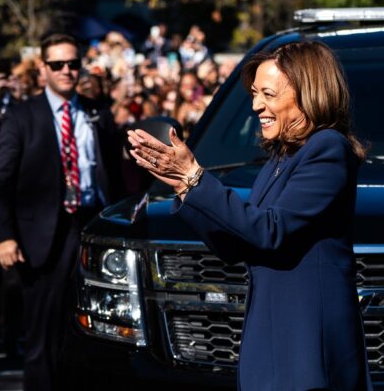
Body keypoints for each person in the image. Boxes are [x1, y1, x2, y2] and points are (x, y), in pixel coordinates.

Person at [127, 40, 371, 390]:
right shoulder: (281, 157)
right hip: (273, 338)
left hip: (306, 347)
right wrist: (185, 187)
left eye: (268, 94)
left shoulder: (327, 148)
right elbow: (237, 243)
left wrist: (196, 177)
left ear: (307, 93)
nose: (256, 105)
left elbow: (270, 231)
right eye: (255, 94)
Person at [0, 33, 123, 390]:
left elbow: (115, 175)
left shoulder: (97, 113)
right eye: (58, 64)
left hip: (92, 228)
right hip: (42, 236)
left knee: (95, 330)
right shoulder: (22, 117)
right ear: (42, 68)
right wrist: (5, 236)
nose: (67, 71)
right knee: (42, 337)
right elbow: (0, 182)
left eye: (73, 64)